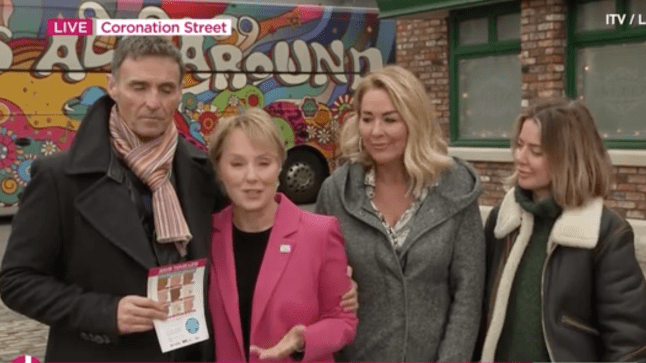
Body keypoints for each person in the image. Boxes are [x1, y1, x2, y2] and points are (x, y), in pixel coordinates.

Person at [0, 36, 224, 361]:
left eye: (165, 89)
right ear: (113, 86)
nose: (153, 101)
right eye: (139, 87)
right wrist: (105, 313)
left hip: (186, 351)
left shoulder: (200, 170)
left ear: (179, 92)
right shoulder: (59, 177)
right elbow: (16, 281)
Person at [315, 65, 485, 361]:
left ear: (414, 121)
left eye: (390, 120)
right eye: (367, 119)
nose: (376, 131)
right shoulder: (336, 192)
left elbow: (468, 296)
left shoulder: (456, 189)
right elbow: (315, 282)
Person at [477, 98, 646, 362]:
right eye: (519, 145)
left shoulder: (606, 233)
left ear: (568, 157)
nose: (519, 157)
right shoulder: (503, 220)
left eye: (536, 150)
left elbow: (629, 343)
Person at [206, 108, 357, 362]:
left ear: (279, 165)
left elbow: (343, 320)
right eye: (237, 164)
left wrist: (303, 340)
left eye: (263, 163)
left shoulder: (319, 232)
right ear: (219, 169)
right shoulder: (206, 234)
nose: (251, 177)